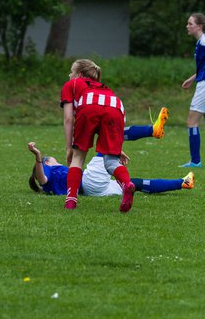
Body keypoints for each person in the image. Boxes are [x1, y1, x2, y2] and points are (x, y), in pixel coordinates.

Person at [60, 59, 136, 212]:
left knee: (77, 158)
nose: (69, 75)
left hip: (88, 105)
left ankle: (71, 201)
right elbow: (104, 112)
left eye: (71, 71)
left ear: (79, 75)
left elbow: (69, 118)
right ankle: (127, 184)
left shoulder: (72, 84)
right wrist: (115, 148)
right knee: (110, 161)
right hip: (117, 106)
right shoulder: (105, 88)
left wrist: (69, 148)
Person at [28, 142, 194, 196]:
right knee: (104, 147)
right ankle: (151, 130)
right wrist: (38, 156)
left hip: (94, 190)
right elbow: (42, 178)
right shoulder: (46, 169)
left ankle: (182, 182)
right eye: (51, 158)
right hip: (89, 182)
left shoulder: (52, 171)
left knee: (135, 184)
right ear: (47, 162)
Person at [180, 13, 205, 168]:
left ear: (199, 26)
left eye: (190, 23)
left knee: (191, 121)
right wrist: (192, 78)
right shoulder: (200, 43)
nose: (187, 26)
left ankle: (195, 161)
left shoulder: (204, 42)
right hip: (201, 81)